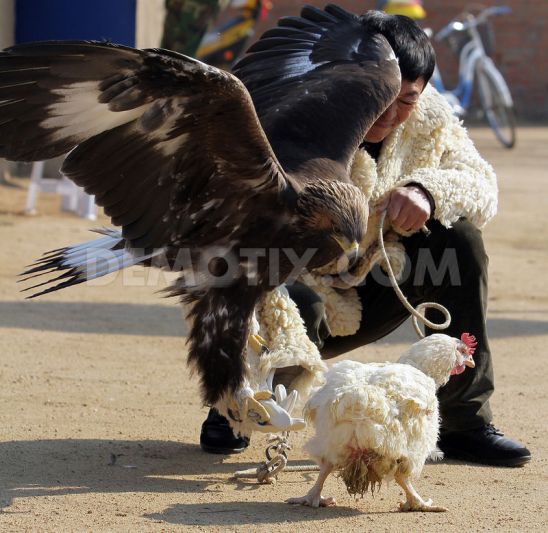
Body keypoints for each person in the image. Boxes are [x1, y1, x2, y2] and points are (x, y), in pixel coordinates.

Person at [200, 9, 531, 467]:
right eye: (385, 95)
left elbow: (481, 182)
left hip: (375, 279)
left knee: (461, 243)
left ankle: (465, 423)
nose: (391, 113)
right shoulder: (297, 108)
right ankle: (233, 403)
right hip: (287, 283)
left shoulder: (430, 119)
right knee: (285, 298)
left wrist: (426, 192)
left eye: (407, 100)